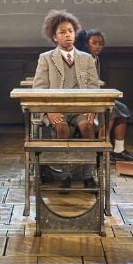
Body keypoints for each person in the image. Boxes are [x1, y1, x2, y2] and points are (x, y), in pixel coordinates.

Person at [33, 10, 101, 189]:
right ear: (55, 37)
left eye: (70, 31)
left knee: (87, 126)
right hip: (56, 109)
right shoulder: (46, 58)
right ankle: (65, 175)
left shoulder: (86, 58)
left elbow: (94, 88)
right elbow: (39, 89)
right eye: (62, 32)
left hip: (80, 109)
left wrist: (92, 109)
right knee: (61, 128)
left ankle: (88, 175)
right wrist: (49, 111)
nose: (67, 35)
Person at [75, 27, 133, 163]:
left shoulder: (96, 59)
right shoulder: (82, 59)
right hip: (84, 99)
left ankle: (119, 150)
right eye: (94, 43)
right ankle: (102, 151)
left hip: (95, 95)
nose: (98, 46)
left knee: (122, 108)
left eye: (101, 44)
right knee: (110, 110)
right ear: (86, 44)